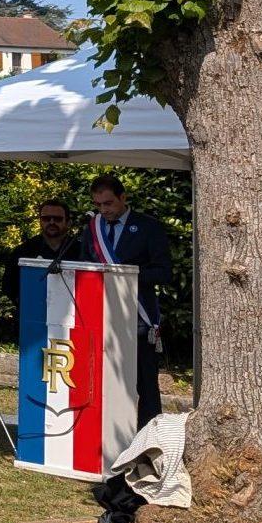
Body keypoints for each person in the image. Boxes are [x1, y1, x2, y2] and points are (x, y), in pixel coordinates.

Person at [84, 175, 172, 429]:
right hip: (101, 316)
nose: (104, 210)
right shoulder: (92, 229)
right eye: (99, 204)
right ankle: (105, 433)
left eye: (109, 203)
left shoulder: (148, 227)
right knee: (102, 381)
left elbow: (164, 273)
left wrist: (126, 275)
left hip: (138, 317)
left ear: (123, 198)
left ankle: (149, 441)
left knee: (145, 383)